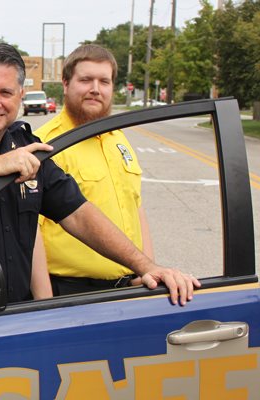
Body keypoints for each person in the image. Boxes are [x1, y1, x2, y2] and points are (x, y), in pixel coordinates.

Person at [0, 43, 199, 305]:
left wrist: (145, 265)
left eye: (6, 92)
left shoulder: (26, 146)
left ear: (20, 96)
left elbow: (79, 214)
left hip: (19, 314)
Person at [35, 44, 171, 296]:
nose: (95, 89)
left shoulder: (118, 138)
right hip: (71, 293)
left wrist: (147, 271)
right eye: (86, 80)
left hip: (128, 288)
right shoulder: (47, 145)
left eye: (104, 81)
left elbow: (136, 206)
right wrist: (45, 305)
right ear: (65, 84)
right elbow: (32, 233)